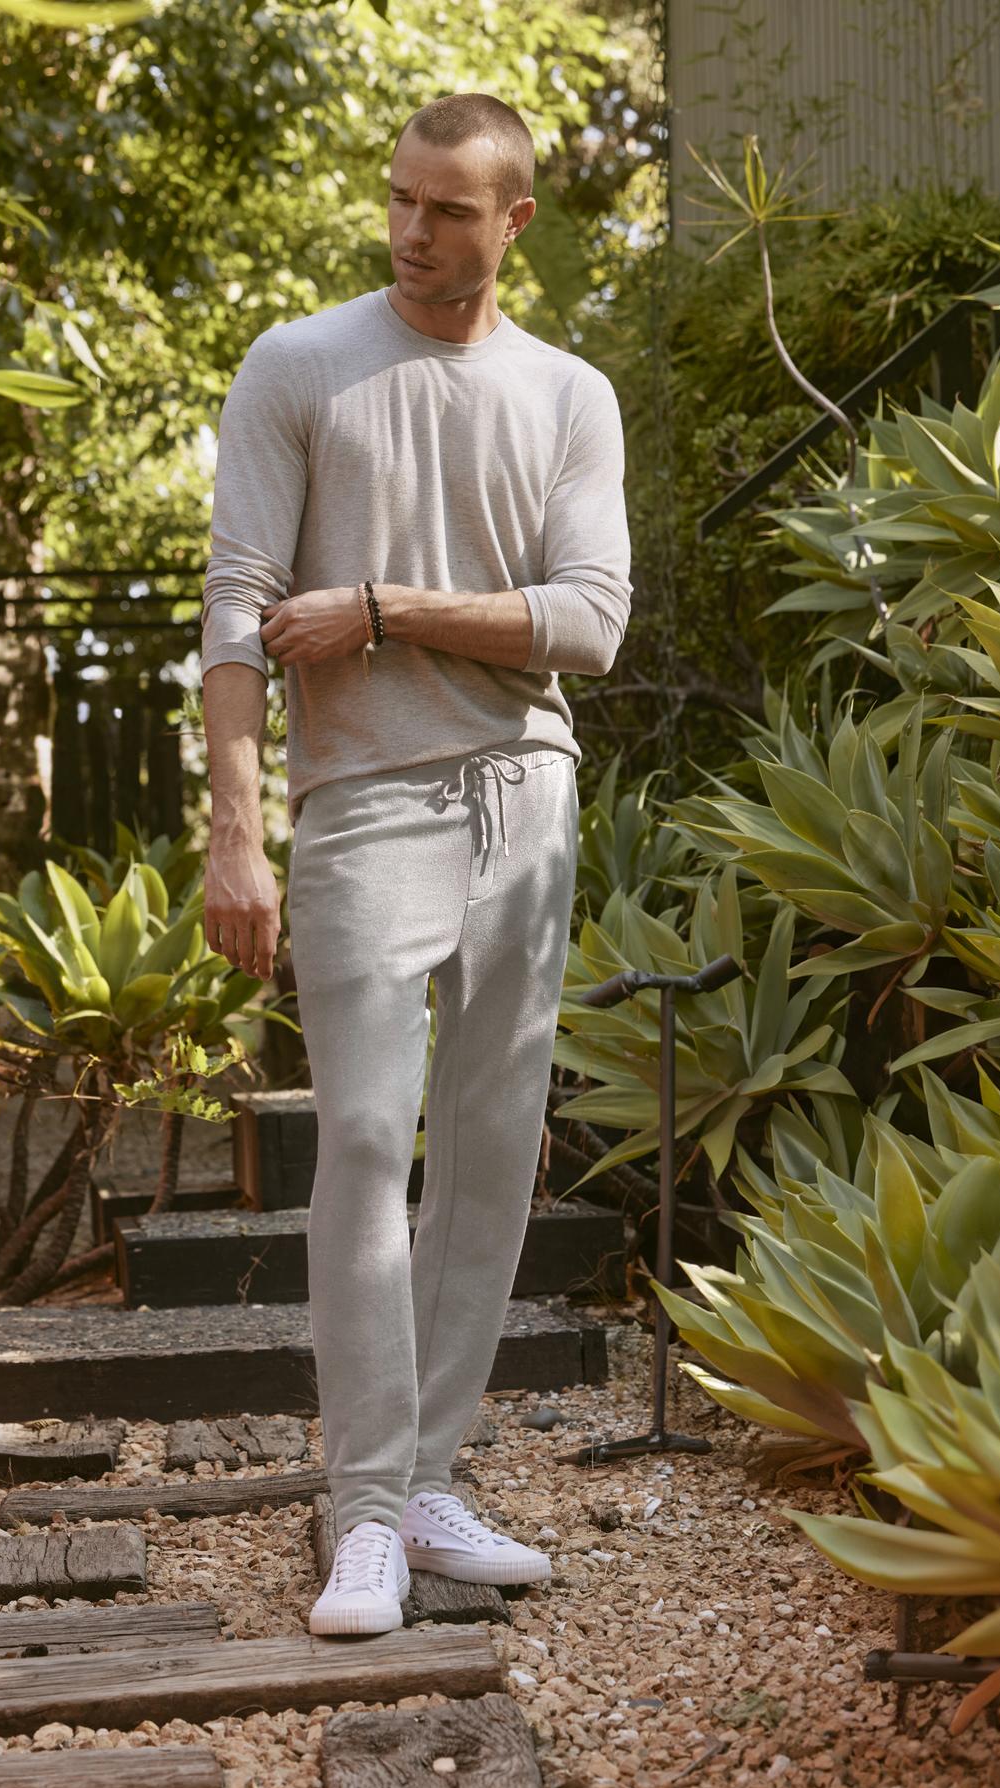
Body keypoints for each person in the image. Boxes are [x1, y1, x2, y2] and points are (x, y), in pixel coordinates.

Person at [200, 91, 632, 1636]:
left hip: (528, 794)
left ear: (515, 223)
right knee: (374, 1144)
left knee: (494, 1150)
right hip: (366, 804)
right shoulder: (301, 365)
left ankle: (430, 1476)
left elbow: (591, 623)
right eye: (399, 198)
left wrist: (384, 605)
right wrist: (236, 833)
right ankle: (365, 1510)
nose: (410, 229)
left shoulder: (570, 393)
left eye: (448, 209)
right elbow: (239, 611)